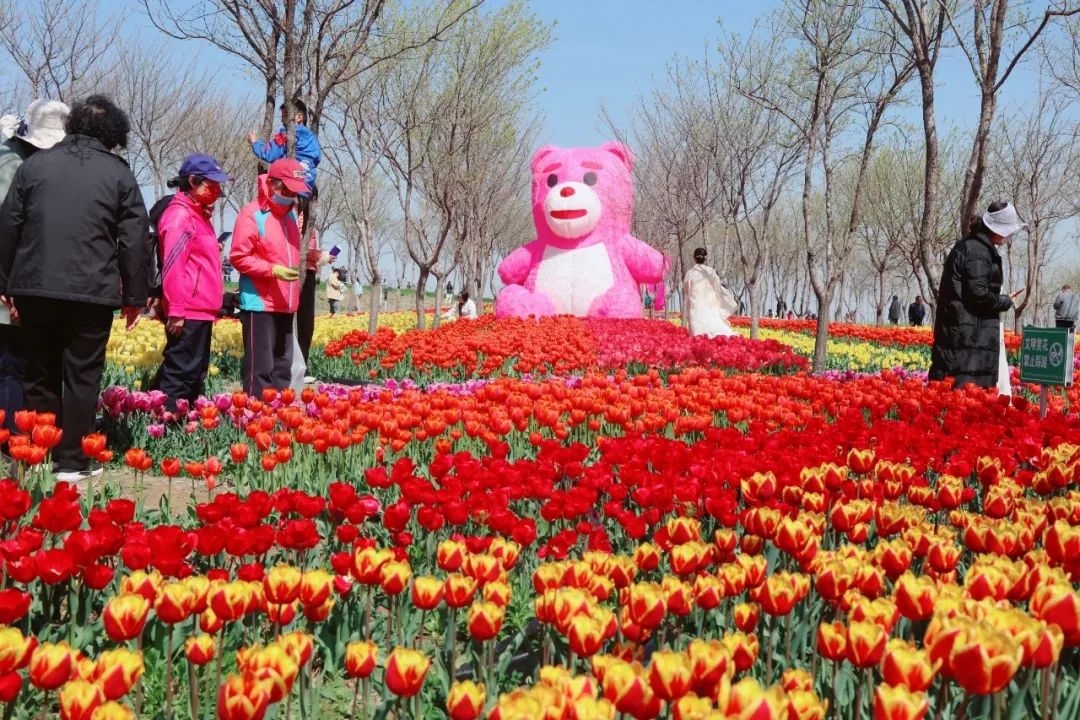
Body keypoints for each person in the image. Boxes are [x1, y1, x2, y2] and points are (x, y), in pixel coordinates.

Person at [0, 95, 151, 481]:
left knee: (39, 371)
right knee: (82, 375)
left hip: (34, 287)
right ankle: (71, 462)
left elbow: (8, 226)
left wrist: (4, 282)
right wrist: (136, 296)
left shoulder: (33, 167)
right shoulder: (119, 174)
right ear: (114, 133)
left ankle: (37, 453)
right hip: (91, 289)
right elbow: (134, 239)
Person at [0, 99, 69, 436]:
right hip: (9, 280)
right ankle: (13, 438)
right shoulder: (11, 164)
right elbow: (9, 227)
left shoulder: (20, 160)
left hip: (17, 278)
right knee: (11, 363)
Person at [155, 154, 231, 410]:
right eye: (212, 185)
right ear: (192, 181)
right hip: (187, 309)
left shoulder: (199, 215)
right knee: (180, 373)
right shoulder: (180, 216)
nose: (218, 192)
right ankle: (162, 426)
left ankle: (179, 424)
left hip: (201, 309)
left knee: (194, 373)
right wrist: (176, 310)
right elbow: (173, 267)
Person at [230, 158, 309, 396]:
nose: (292, 196)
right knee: (261, 370)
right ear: (274, 185)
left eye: (295, 191)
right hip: (260, 302)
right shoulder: (253, 214)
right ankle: (256, 422)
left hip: (285, 302)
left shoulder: (291, 217)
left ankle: (279, 421)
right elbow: (238, 256)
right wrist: (272, 270)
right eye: (288, 189)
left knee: (282, 367)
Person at [929, 201, 1026, 393]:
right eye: (1008, 231)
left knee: (960, 397)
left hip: (968, 333)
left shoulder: (975, 247)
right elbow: (978, 294)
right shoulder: (977, 251)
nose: (1009, 236)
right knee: (963, 397)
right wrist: (1004, 301)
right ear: (996, 229)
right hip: (968, 338)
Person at [248, 99, 321, 188]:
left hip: (289, 182)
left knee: (266, 184)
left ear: (299, 117)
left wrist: (254, 142)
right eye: (282, 115)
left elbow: (269, 154)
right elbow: (317, 158)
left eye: (285, 115)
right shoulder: (313, 139)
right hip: (308, 180)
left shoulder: (286, 134)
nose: (282, 119)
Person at [682, 247, 737, 338]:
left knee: (697, 330)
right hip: (710, 304)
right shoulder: (710, 271)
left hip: (696, 305)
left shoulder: (689, 273)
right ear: (705, 258)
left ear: (694, 258)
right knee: (712, 326)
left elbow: (686, 288)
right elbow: (717, 285)